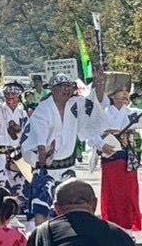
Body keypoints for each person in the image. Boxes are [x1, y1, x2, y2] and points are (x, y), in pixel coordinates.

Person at [20, 74, 95, 225]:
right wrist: (42, 149)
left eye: (69, 86)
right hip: (46, 166)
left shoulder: (75, 105)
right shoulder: (44, 108)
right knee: (42, 206)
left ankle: (65, 234)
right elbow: (39, 130)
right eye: (62, 86)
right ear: (53, 90)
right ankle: (41, 236)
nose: (66, 89)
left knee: (69, 205)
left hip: (67, 166)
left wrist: (99, 84)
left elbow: (94, 106)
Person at [94, 75, 142, 234]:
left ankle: (127, 229)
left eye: (126, 91)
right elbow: (91, 131)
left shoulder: (133, 113)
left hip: (127, 158)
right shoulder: (103, 113)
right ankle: (111, 227)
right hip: (111, 158)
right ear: (111, 94)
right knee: (112, 194)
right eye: (120, 91)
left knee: (128, 194)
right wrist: (101, 144)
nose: (124, 94)